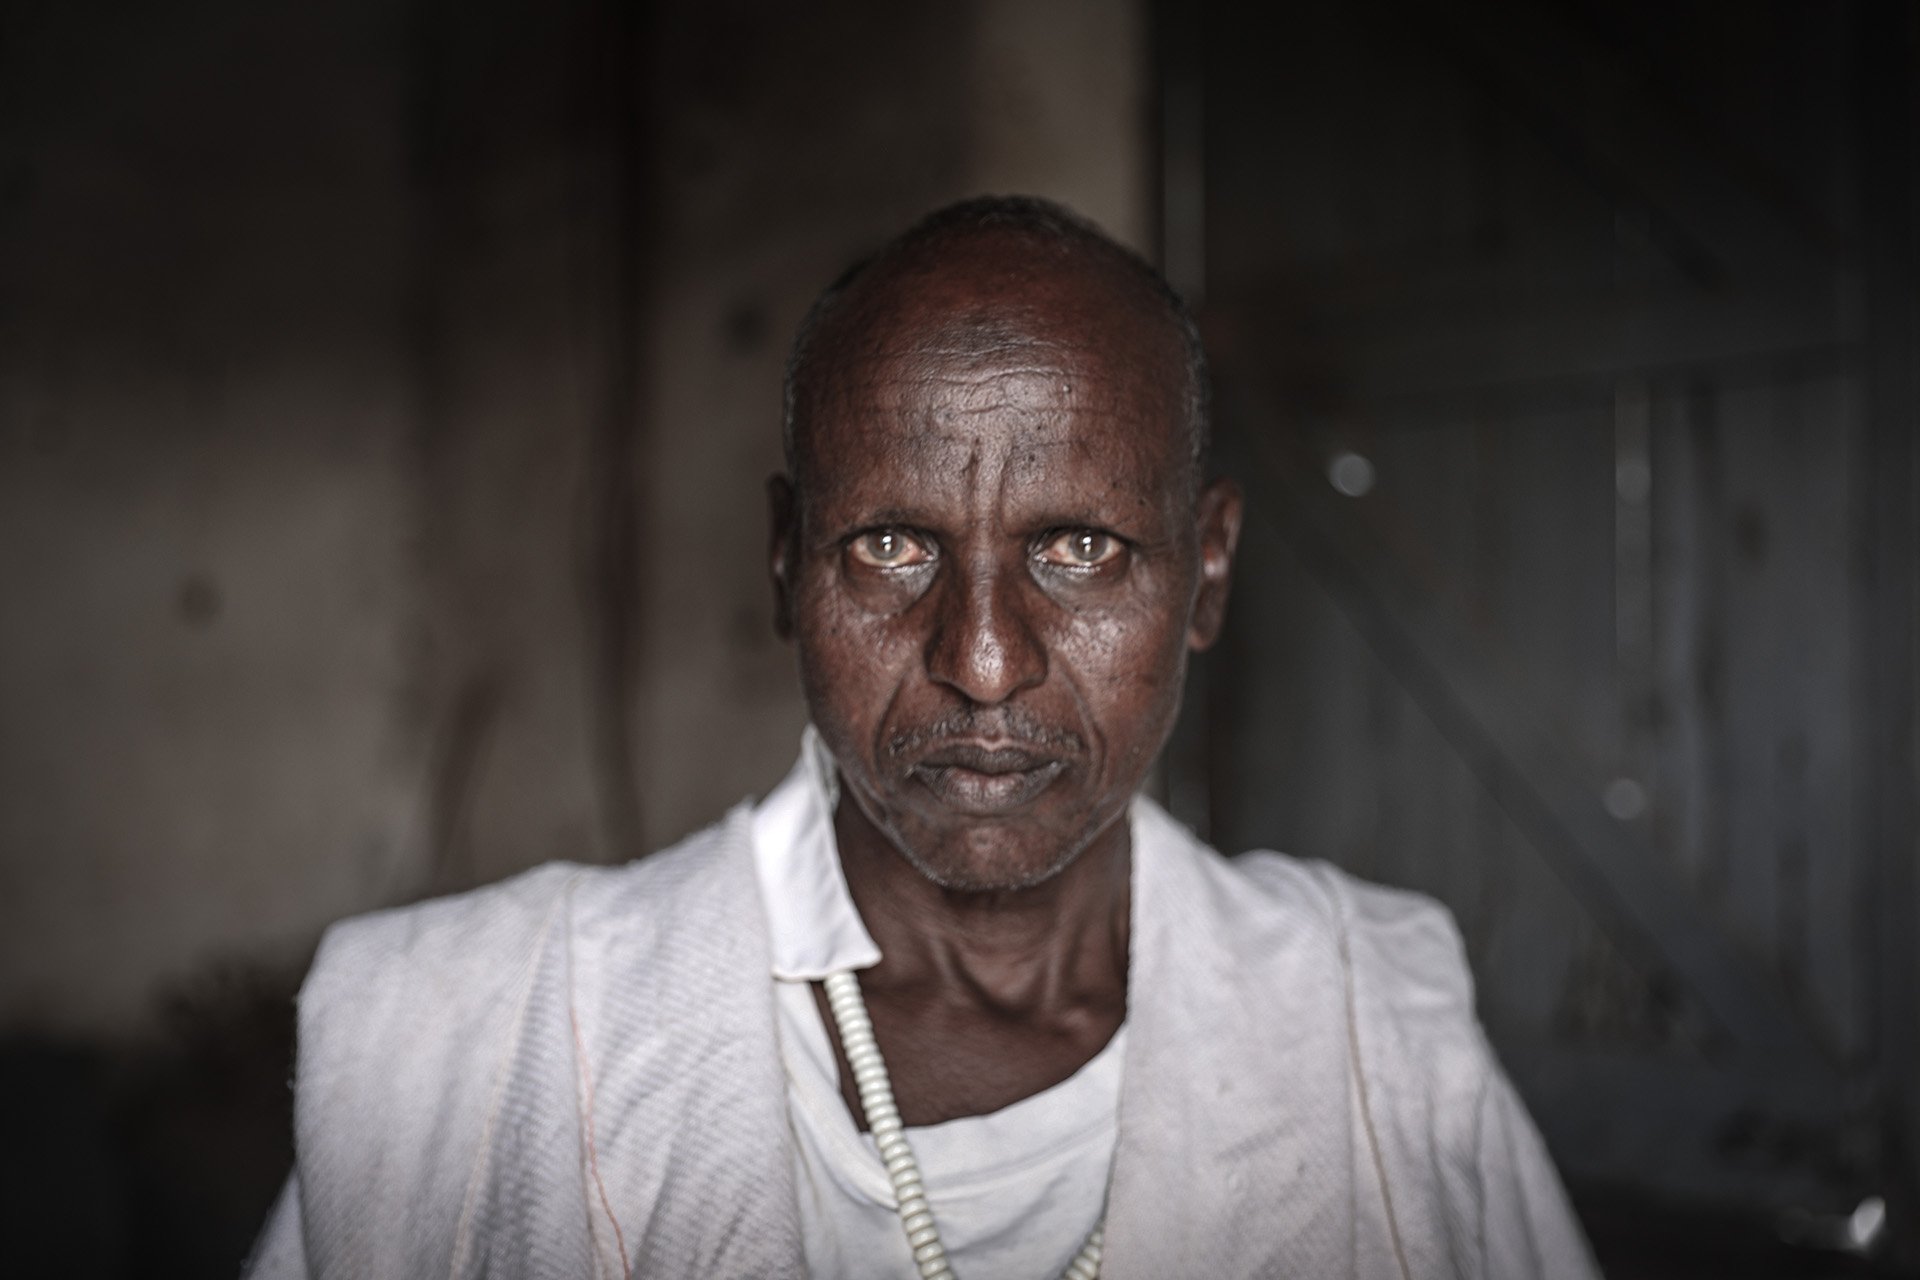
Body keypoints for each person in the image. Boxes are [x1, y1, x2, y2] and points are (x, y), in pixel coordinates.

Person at [245, 196, 1598, 1280]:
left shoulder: (1370, 1025)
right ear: (786, 564)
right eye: (891, 546)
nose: (985, 661)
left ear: (1209, 574)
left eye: (1080, 546)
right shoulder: (476, 1037)